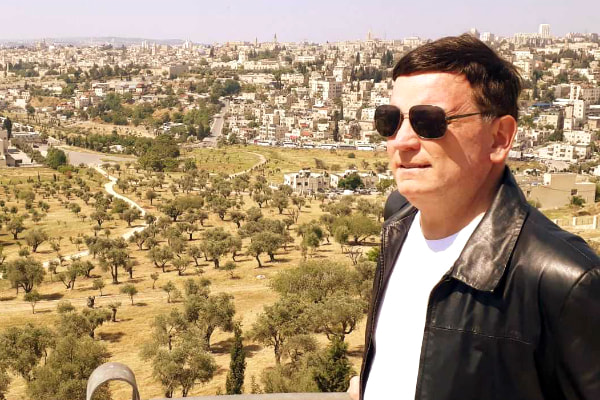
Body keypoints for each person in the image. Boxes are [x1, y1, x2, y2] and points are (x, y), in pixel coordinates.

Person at [349, 34, 600, 400]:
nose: (401, 141)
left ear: (499, 138)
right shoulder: (397, 223)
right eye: (390, 120)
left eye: (428, 121)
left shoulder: (564, 280)